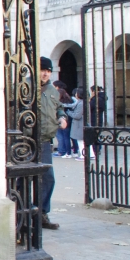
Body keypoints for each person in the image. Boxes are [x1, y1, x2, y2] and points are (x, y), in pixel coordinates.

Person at [38, 56, 68, 230]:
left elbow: (59, 108)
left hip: (45, 140)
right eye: (43, 70)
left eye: (48, 71)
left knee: (48, 178)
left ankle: (42, 213)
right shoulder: (25, 86)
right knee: (21, 180)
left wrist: (62, 117)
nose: (45, 74)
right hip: (27, 140)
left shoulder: (53, 90)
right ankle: (22, 215)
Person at [67, 88, 88, 160]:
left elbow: (77, 116)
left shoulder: (81, 103)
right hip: (80, 123)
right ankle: (90, 154)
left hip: (79, 124)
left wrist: (69, 113)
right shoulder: (81, 102)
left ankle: (83, 155)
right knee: (84, 141)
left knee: (81, 141)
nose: (75, 94)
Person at [54, 81, 73, 157]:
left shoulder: (59, 102)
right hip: (68, 120)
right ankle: (68, 151)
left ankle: (61, 151)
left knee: (60, 136)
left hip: (60, 120)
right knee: (66, 137)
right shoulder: (70, 100)